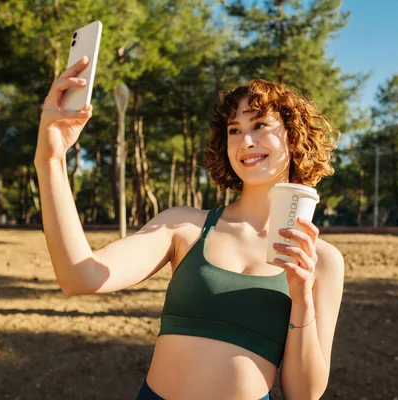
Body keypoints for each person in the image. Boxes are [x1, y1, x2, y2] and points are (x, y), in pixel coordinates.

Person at [35, 56, 345, 400]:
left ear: (294, 135)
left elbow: (304, 395)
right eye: (234, 130)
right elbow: (81, 276)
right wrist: (50, 160)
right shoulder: (184, 226)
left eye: (259, 125)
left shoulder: (322, 260)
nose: (245, 141)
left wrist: (301, 298)